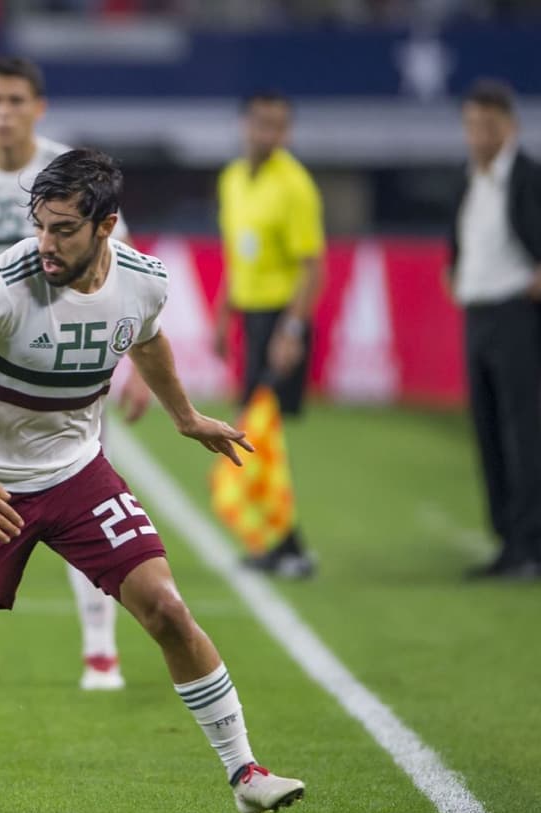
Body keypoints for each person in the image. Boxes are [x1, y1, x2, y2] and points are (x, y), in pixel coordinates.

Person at [0, 150, 305, 813]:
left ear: (106, 227)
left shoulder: (142, 280)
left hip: (78, 473)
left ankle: (245, 769)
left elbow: (148, 338)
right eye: (42, 226)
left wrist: (185, 415)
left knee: (166, 608)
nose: (46, 244)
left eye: (64, 230)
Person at [0, 55, 145, 689]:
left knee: (82, 493)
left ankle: (100, 650)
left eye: (16, 101)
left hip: (67, 353)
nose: (3, 113)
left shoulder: (67, 173)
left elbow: (119, 268)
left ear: (37, 108)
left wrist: (132, 366)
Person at [449, 79, 541, 582]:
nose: (478, 135)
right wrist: (455, 269)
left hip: (518, 312)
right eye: (471, 125)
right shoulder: (471, 177)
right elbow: (464, 235)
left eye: (487, 126)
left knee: (521, 431)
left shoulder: (533, 175)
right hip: (478, 313)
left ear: (509, 126)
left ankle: (531, 547)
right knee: (489, 430)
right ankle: (507, 542)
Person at [212, 90, 324, 579]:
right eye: (260, 123)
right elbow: (238, 256)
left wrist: (292, 330)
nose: (267, 134)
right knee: (259, 432)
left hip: (281, 317)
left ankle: (289, 545)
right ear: (245, 125)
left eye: (277, 126)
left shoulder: (295, 185)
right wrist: (221, 316)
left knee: (259, 430)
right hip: (251, 317)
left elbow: (313, 266)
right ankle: (278, 542)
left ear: (287, 132)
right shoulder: (233, 180)